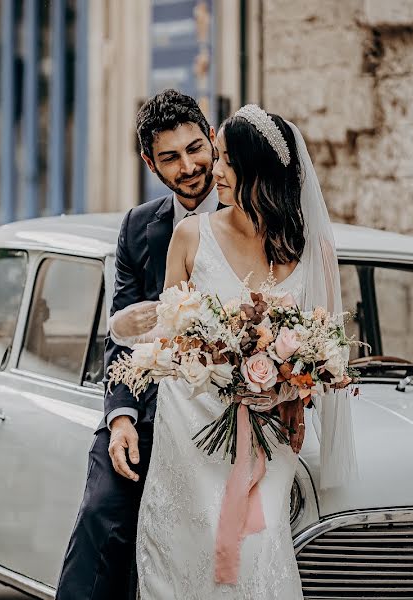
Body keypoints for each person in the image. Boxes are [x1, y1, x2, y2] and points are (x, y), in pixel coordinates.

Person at [55, 90, 304, 600]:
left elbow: (299, 318)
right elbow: (121, 333)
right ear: (151, 163)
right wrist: (120, 416)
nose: (189, 167)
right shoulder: (138, 228)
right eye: (170, 157)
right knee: (103, 512)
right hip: (154, 408)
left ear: (214, 141)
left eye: (196, 149)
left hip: (251, 411)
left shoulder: (275, 224)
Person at [110, 104, 357, 598]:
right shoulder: (190, 235)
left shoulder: (313, 250)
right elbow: (166, 335)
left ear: (256, 170)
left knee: (258, 554)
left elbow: (328, 351)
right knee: (181, 554)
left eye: (222, 158)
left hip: (271, 432)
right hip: (190, 429)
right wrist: (126, 329)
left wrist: (287, 386)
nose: (211, 171)